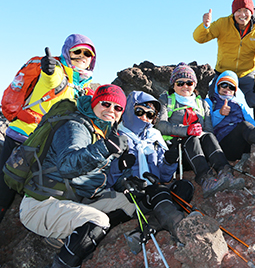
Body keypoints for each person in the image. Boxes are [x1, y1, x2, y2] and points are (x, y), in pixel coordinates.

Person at [18, 85, 133, 268]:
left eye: (118, 108)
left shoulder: (104, 132)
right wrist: (104, 148)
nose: (111, 110)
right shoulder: (75, 126)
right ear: (95, 103)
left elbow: (97, 176)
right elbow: (67, 166)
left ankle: (68, 237)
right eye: (106, 104)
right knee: (98, 221)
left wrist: (125, 181)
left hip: (73, 200)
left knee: (129, 202)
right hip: (41, 204)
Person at [0, 34, 96, 223]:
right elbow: (50, 78)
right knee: (4, 193)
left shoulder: (84, 87)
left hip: (45, 147)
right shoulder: (58, 72)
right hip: (23, 138)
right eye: (77, 51)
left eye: (88, 54)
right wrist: (48, 69)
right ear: (67, 53)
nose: (83, 56)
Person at [107, 91, 189, 242]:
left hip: (155, 191)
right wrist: (120, 168)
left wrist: (169, 163)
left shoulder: (154, 137)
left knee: (184, 187)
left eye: (150, 115)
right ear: (129, 110)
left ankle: (144, 230)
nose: (144, 118)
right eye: (139, 111)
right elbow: (106, 180)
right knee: (159, 192)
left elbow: (164, 177)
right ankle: (183, 230)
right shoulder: (114, 138)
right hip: (131, 196)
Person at [155, 63, 244, 197]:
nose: (185, 86)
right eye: (180, 83)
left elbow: (209, 130)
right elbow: (160, 125)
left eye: (189, 82)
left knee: (208, 136)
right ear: (173, 85)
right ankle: (205, 179)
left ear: (194, 85)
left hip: (200, 151)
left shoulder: (201, 103)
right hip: (177, 153)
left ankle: (225, 172)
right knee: (192, 138)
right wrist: (187, 130)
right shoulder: (165, 100)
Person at [193, 0, 255, 127]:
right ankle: (210, 132)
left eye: (246, 10)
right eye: (238, 11)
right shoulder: (223, 23)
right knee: (213, 99)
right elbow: (199, 38)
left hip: (246, 73)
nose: (242, 15)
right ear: (233, 12)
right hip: (224, 72)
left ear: (251, 12)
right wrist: (205, 26)